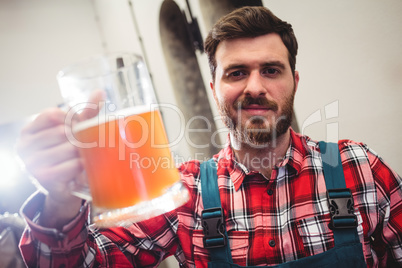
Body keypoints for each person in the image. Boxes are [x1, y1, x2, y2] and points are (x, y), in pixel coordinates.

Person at [16, 6, 401, 267]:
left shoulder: (357, 167)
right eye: (236, 73)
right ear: (214, 87)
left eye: (271, 70)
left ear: (293, 81)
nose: (255, 87)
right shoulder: (185, 192)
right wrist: (61, 199)